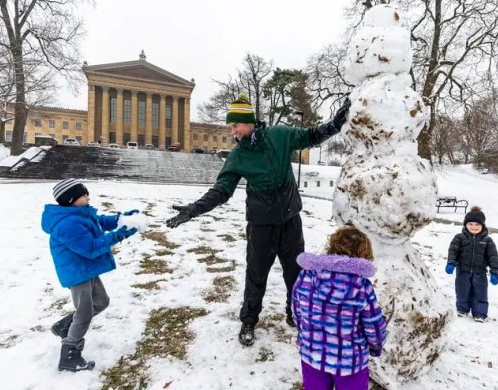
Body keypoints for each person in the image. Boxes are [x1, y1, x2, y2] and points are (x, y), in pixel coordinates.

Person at [166, 93, 351, 346]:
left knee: (295, 273)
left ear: (249, 122)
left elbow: (311, 136)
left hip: (290, 222)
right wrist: (193, 209)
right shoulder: (238, 156)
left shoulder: (280, 135)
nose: (233, 130)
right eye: (231, 126)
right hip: (261, 226)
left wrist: (335, 125)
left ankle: (294, 314)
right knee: (256, 275)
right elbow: (222, 190)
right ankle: (249, 320)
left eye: (235, 125)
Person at [41, 178, 139, 371]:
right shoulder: (67, 223)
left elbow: (100, 221)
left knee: (101, 302)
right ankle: (69, 355)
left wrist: (121, 219)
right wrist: (119, 235)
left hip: (86, 268)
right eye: (83, 194)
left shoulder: (80, 214)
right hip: (77, 272)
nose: (88, 197)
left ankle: (65, 326)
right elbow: (91, 248)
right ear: (70, 199)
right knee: (84, 312)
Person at [292, 226, 387, 390]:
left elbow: (297, 313)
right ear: (363, 254)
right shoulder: (362, 287)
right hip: (350, 363)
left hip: (312, 355)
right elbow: (374, 328)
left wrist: (306, 333)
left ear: (332, 247)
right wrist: (376, 346)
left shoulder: (306, 276)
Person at [446, 206, 498, 322]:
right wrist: (451, 263)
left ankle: (480, 313)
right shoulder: (459, 238)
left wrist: (495, 272)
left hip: (479, 272)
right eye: (471, 224)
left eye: (477, 225)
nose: (474, 227)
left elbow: (493, 257)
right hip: (463, 271)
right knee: (462, 290)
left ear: (482, 226)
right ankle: (462, 308)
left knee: (480, 293)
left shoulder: (487, 240)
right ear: (465, 224)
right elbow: (453, 251)